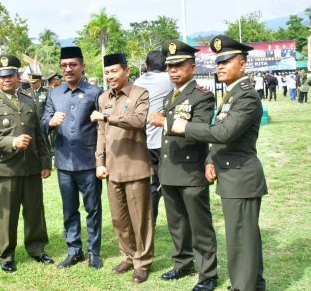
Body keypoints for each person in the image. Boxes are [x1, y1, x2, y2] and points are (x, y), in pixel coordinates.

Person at [170, 35, 267, 291]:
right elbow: (222, 136)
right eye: (217, 62)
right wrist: (211, 159)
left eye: (226, 61)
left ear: (243, 64)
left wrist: (184, 127)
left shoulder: (246, 96)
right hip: (231, 174)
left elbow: (223, 133)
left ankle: (243, 287)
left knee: (240, 239)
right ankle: (254, 282)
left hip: (241, 175)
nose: (220, 67)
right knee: (244, 235)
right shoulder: (233, 94)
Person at [147, 40, 219, 291]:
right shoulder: (170, 96)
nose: (173, 71)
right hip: (169, 170)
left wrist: (165, 121)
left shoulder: (202, 96)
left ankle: (208, 273)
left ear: (192, 66)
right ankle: (182, 262)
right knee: (176, 224)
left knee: (200, 225)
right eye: (170, 67)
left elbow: (201, 130)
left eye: (179, 65)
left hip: (190, 171)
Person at [0, 54, 54, 273]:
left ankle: (37, 249)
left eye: (11, 75)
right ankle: (7, 256)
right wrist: (12, 141)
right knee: (6, 215)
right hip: (4, 169)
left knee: (34, 211)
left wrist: (45, 162)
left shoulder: (28, 99)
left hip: (30, 167)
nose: (7, 80)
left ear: (17, 76)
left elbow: (38, 135)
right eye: (3, 77)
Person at [91, 53, 154, 283]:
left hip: (135, 166)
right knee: (119, 219)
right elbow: (101, 133)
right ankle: (129, 256)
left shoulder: (140, 93)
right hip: (112, 168)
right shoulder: (103, 97)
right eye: (107, 72)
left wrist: (107, 116)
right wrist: (99, 162)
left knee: (140, 218)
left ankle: (143, 262)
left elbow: (137, 121)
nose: (110, 76)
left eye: (114, 71)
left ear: (126, 71)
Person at [41, 46, 104, 269]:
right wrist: (50, 122)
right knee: (69, 209)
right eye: (64, 65)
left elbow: (103, 128)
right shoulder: (54, 93)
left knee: (93, 208)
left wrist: (101, 160)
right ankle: (74, 250)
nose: (68, 69)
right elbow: (42, 123)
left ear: (82, 66)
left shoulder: (95, 93)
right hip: (64, 161)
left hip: (88, 161)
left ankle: (94, 251)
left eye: (73, 65)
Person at [133, 50, 174, 226]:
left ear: (146, 66)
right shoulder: (170, 80)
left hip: (143, 143)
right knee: (167, 184)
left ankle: (150, 223)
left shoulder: (137, 82)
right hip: (162, 142)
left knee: (151, 186)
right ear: (166, 66)